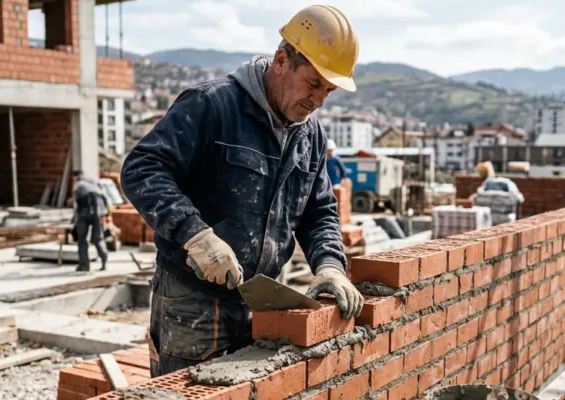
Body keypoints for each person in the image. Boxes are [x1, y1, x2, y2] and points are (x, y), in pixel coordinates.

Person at [121, 5, 364, 376]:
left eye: (328, 91)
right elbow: (143, 169)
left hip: (263, 300)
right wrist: (195, 235)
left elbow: (319, 212)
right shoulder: (212, 105)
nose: (318, 101)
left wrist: (330, 266)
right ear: (281, 60)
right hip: (193, 300)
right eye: (313, 83)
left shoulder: (311, 136)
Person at [72, 170, 109, 272]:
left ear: (75, 177)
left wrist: (74, 221)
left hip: (85, 212)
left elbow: (77, 204)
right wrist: (105, 214)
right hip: (99, 212)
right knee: (98, 238)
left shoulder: (78, 185)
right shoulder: (94, 183)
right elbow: (105, 199)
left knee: (82, 239)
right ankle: (104, 261)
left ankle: (84, 266)